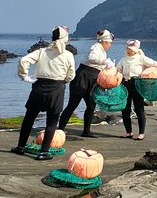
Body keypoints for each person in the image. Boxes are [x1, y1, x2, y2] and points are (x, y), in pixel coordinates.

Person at [11, 25, 75, 160]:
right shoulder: (68, 54)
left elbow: (24, 60)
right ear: (65, 39)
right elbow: (71, 75)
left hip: (39, 87)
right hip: (57, 88)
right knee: (52, 122)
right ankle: (44, 152)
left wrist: (25, 76)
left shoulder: (42, 51)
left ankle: (21, 147)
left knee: (29, 118)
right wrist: (64, 81)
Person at [58, 29, 114, 137]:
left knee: (91, 105)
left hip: (93, 79)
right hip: (82, 77)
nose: (110, 45)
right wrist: (105, 61)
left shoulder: (102, 50)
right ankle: (60, 129)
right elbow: (91, 58)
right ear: (104, 41)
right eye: (110, 43)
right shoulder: (96, 47)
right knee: (73, 105)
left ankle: (86, 131)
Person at [116, 39, 157, 140]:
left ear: (136, 50)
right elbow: (118, 70)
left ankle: (141, 133)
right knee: (125, 109)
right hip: (125, 84)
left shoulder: (141, 58)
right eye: (127, 48)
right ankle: (128, 132)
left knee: (139, 109)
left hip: (137, 84)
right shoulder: (123, 59)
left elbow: (156, 64)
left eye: (131, 49)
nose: (128, 51)